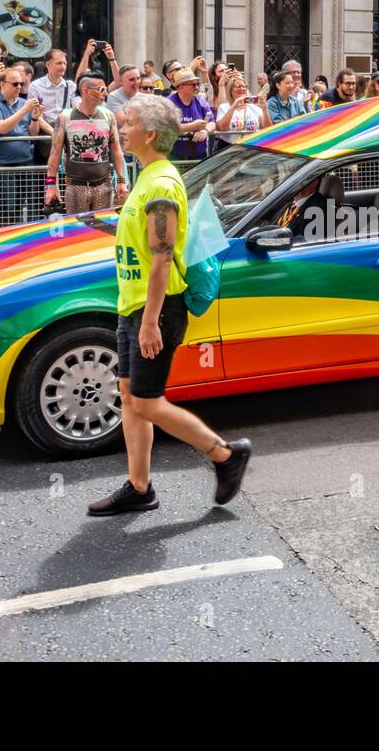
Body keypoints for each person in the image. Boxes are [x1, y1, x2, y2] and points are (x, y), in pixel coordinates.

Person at [88, 94, 251, 516]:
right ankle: (139, 487)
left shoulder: (161, 184)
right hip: (134, 305)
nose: (121, 128)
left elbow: (162, 258)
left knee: (145, 401)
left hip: (155, 310)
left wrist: (150, 322)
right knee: (129, 395)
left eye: (129, 123)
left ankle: (225, 455)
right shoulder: (147, 176)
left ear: (151, 134)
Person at [0, 67, 51, 227]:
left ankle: (18, 237)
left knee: (23, 202)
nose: (19, 87)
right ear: (2, 84)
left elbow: (32, 133)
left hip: (25, 160)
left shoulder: (24, 103)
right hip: (2, 163)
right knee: (8, 204)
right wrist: (24, 110)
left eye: (21, 84)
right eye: (15, 84)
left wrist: (35, 119)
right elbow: (2, 128)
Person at [44, 73, 128, 214]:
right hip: (76, 186)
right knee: (78, 231)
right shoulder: (65, 117)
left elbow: (117, 151)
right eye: (101, 89)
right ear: (85, 91)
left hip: (104, 185)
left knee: (103, 232)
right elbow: (55, 154)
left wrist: (121, 180)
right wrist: (51, 185)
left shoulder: (108, 115)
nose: (105, 93)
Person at [166, 67, 213, 161]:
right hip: (175, 155)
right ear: (181, 86)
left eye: (197, 84)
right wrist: (190, 126)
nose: (196, 87)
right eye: (193, 84)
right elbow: (166, 126)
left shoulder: (200, 100)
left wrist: (205, 131)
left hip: (199, 154)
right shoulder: (168, 103)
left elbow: (212, 122)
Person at [28, 48, 76, 128]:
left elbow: (77, 108)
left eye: (65, 63)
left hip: (66, 129)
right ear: (48, 65)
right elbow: (36, 116)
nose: (63, 66)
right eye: (59, 63)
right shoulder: (35, 86)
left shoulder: (71, 86)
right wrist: (55, 134)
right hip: (45, 132)